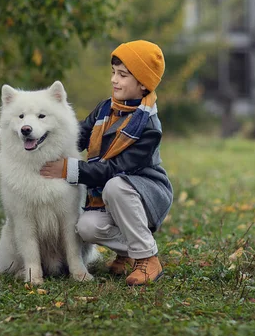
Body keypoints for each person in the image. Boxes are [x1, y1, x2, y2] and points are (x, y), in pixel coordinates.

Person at [40, 40, 173, 286]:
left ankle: (147, 258)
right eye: (113, 73)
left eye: (122, 75)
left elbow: (114, 169)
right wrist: (45, 138)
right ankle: (130, 251)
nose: (114, 80)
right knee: (87, 227)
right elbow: (78, 135)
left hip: (145, 193)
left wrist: (68, 170)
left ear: (143, 83)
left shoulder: (148, 128)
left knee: (115, 185)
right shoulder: (106, 109)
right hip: (116, 196)